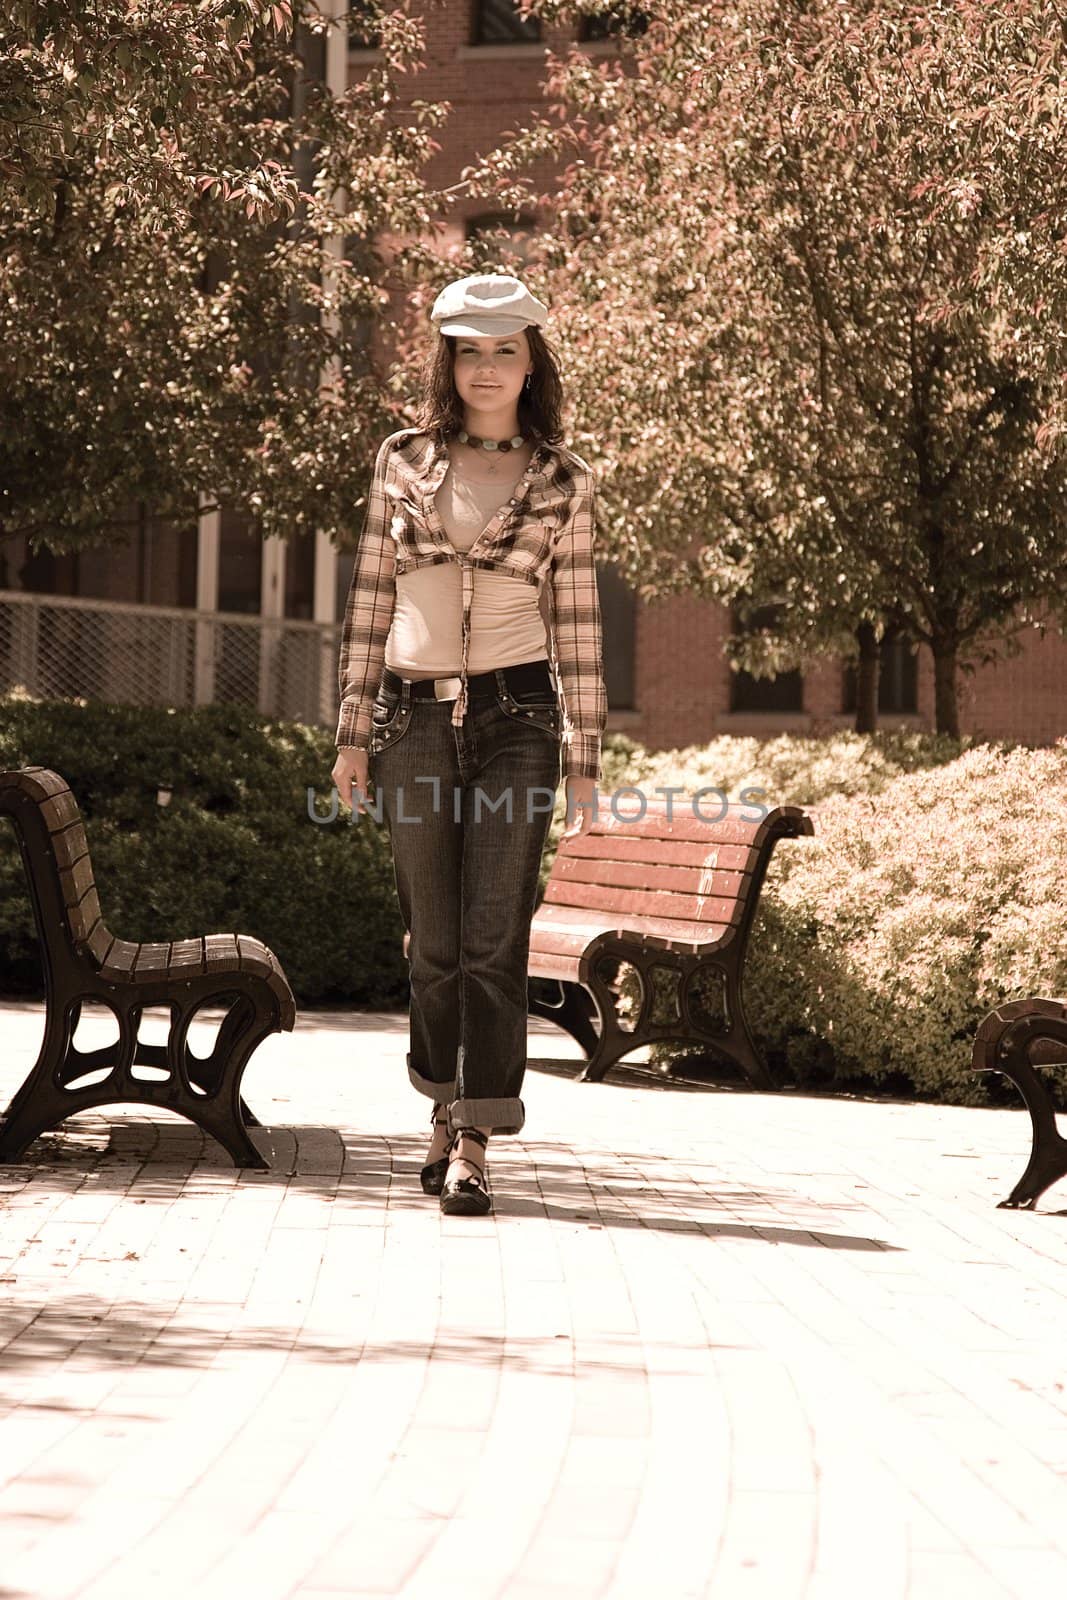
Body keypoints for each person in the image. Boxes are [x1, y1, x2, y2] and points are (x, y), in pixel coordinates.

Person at [331, 272, 607, 1217]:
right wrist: (351, 736)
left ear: (532, 362)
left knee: (495, 938)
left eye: (505, 349)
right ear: (448, 360)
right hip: (409, 719)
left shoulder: (563, 481)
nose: (486, 367)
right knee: (434, 941)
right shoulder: (402, 462)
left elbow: (577, 626)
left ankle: (476, 1136)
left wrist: (586, 765)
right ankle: (440, 1107)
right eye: (469, 350)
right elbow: (370, 598)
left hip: (519, 723)